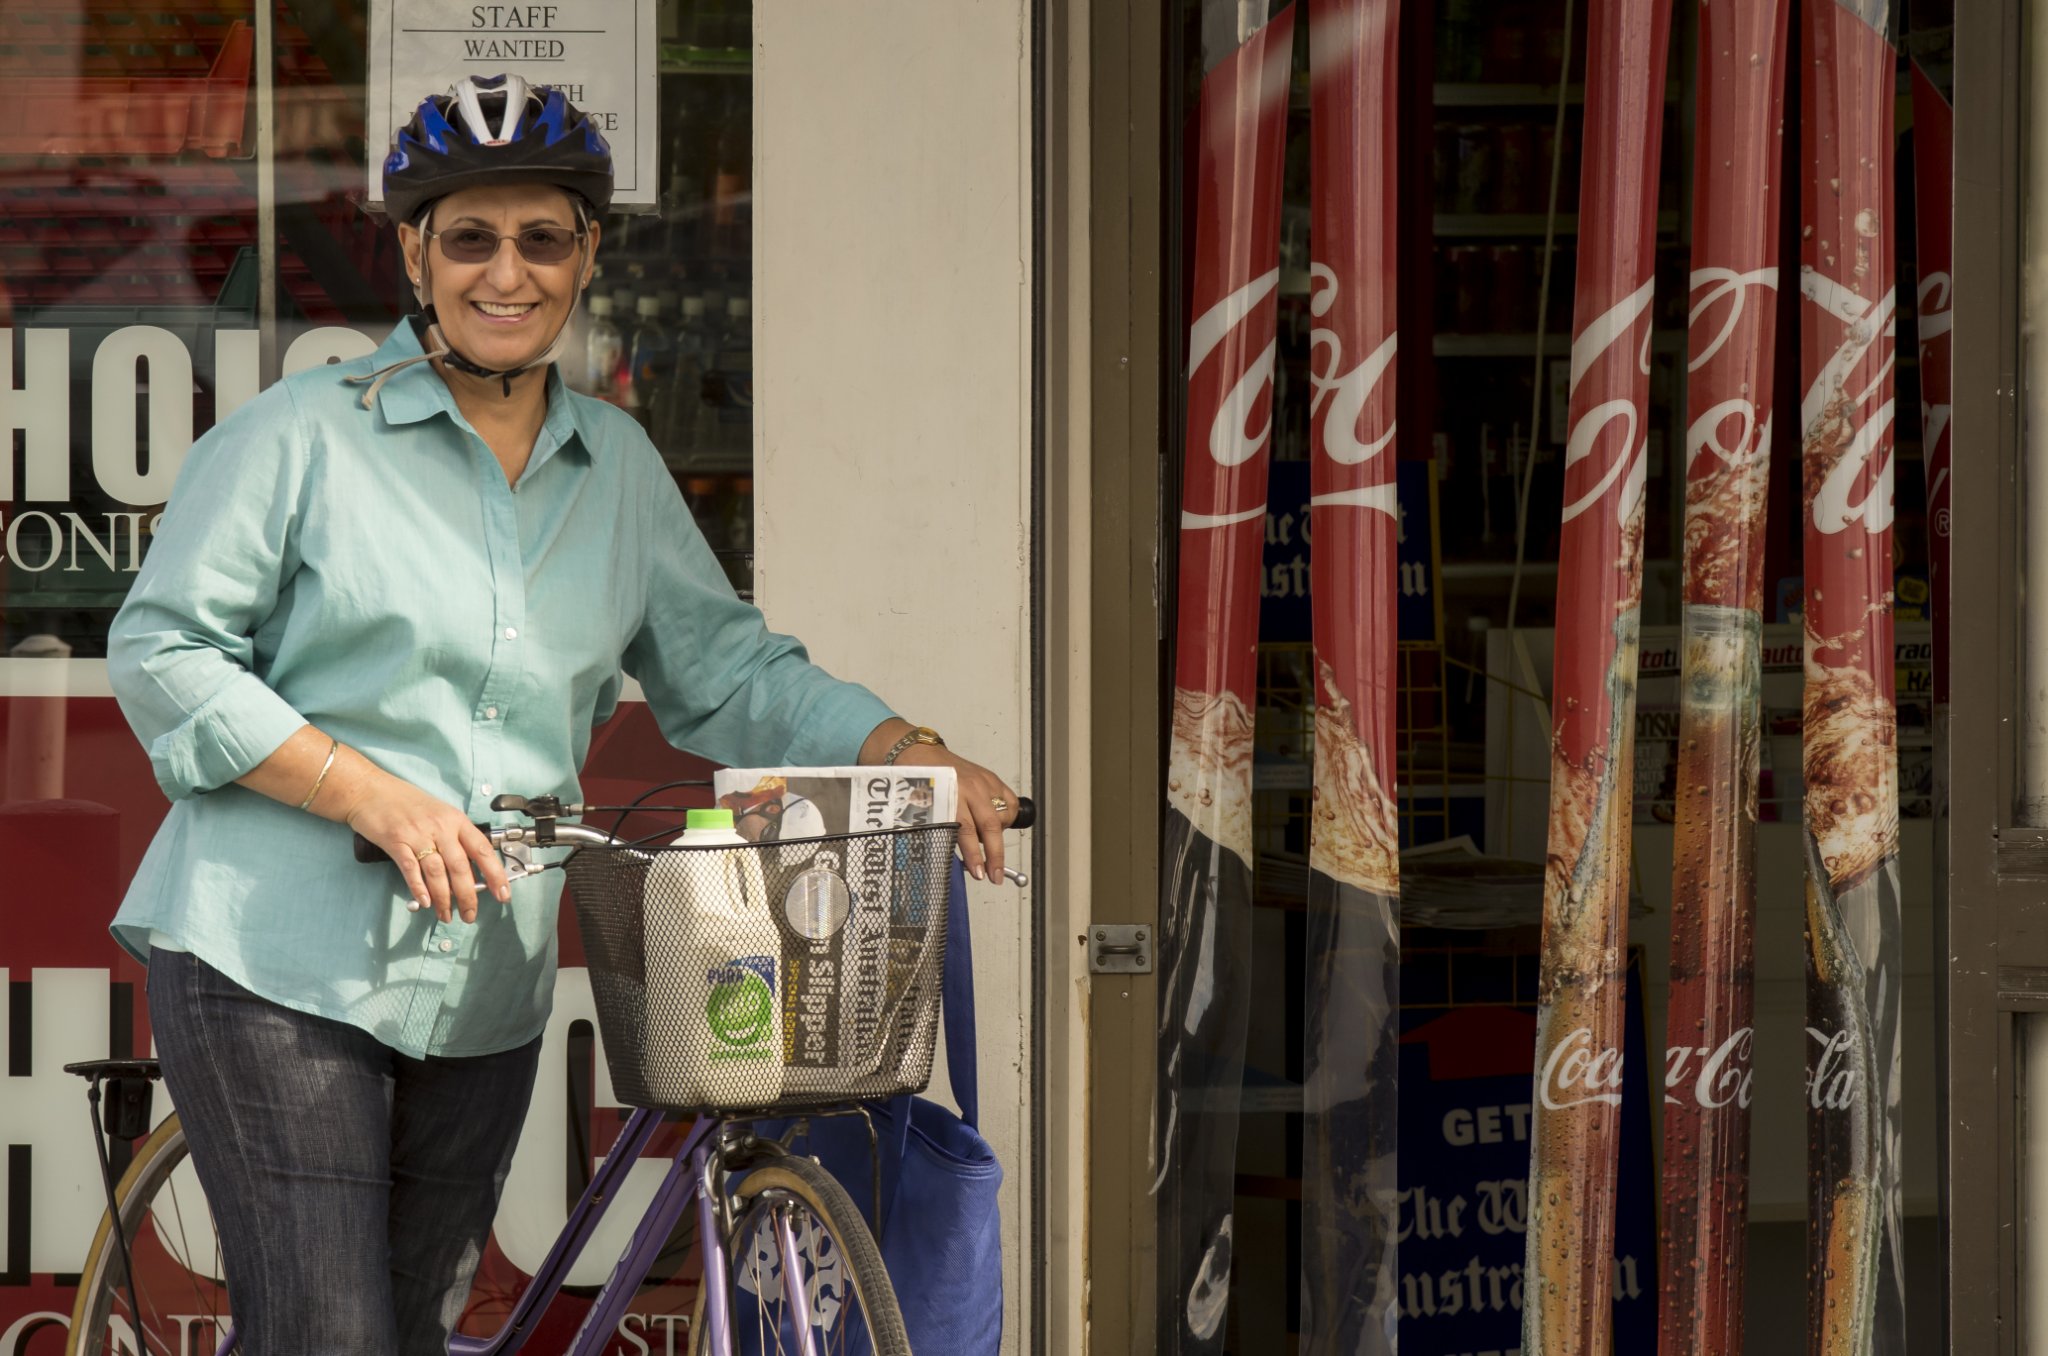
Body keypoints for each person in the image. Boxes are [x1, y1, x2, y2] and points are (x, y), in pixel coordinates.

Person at [104, 74, 1021, 1354]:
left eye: (542, 238)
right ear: (413, 250)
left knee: (415, 1329)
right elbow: (162, 650)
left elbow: (731, 671)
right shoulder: (299, 439)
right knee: (327, 1333)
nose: (506, 272)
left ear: (586, 253)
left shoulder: (619, 468)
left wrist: (907, 749)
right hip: (273, 957)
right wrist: (367, 790)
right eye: (469, 236)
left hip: (482, 975)